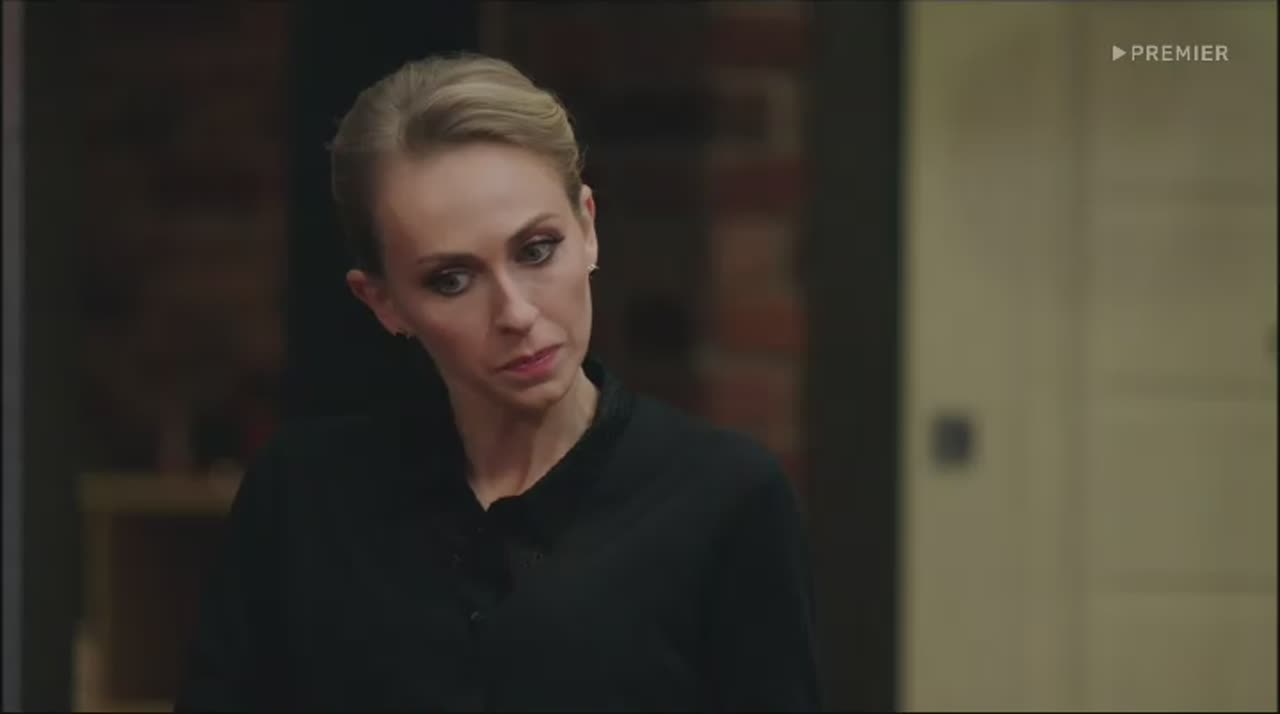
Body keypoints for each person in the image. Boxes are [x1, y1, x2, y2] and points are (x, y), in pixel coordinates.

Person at [175, 52, 820, 712]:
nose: (515, 313)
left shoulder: (726, 499)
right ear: (384, 303)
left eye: (537, 250)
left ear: (588, 227)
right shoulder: (303, 496)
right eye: (451, 280)